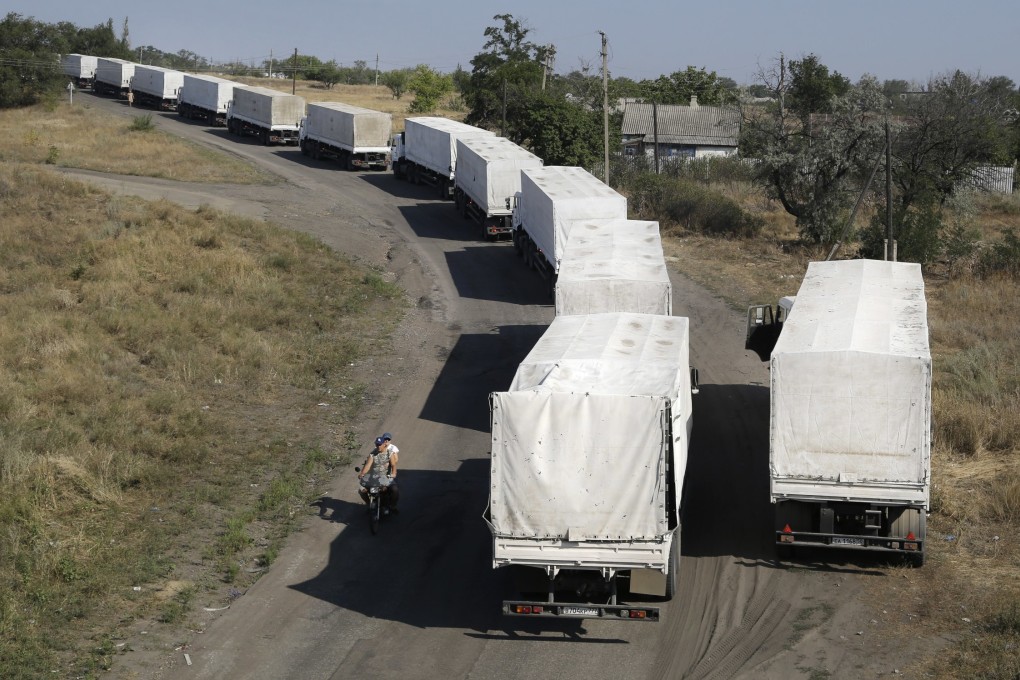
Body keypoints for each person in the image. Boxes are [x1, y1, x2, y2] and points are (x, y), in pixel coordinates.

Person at [358, 435, 399, 513]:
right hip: (373, 477)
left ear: (384, 444)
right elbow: (367, 465)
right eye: (377, 444)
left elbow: (393, 465)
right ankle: (369, 504)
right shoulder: (373, 454)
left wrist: (394, 473)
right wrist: (362, 473)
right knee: (362, 490)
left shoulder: (390, 454)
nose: (378, 446)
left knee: (395, 490)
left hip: (386, 476)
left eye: (379, 444)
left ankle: (392, 506)